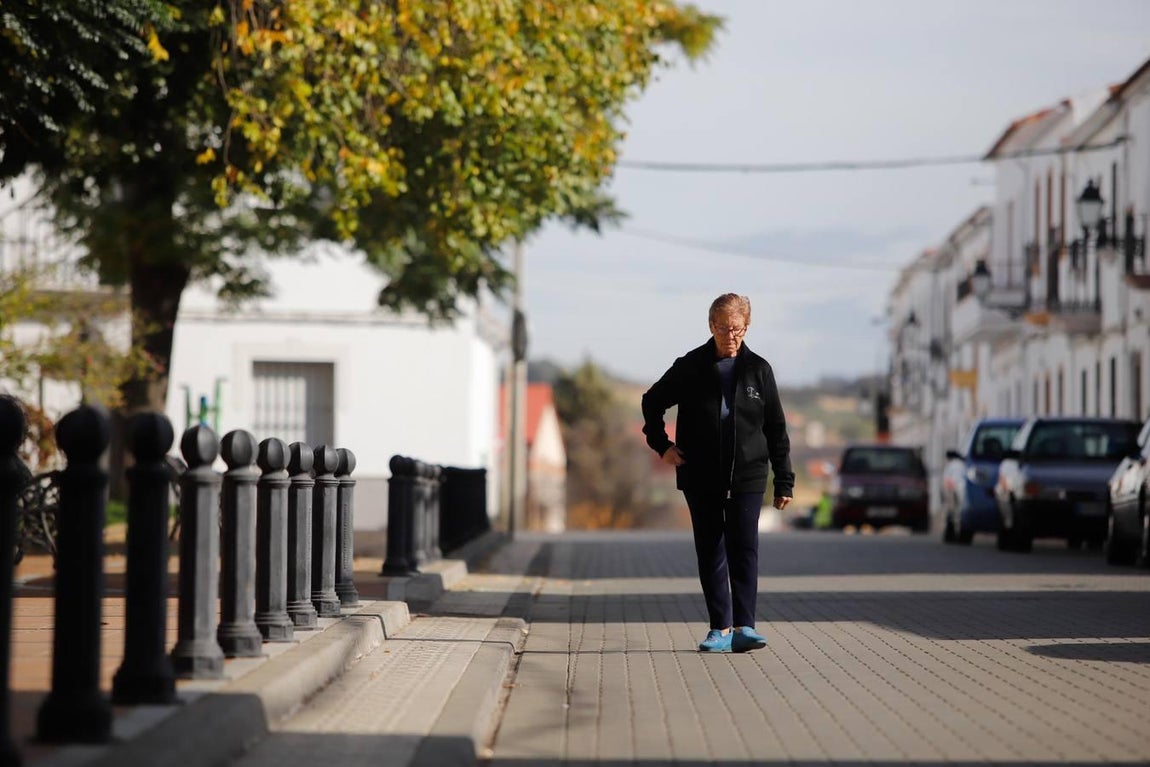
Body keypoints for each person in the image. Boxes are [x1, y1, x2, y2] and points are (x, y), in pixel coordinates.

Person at [641, 293, 794, 653]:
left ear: (747, 327)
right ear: (711, 326)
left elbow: (776, 428)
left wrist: (784, 479)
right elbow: (652, 402)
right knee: (711, 549)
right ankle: (719, 629)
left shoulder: (759, 370)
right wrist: (662, 446)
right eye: (724, 329)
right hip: (701, 474)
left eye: (738, 330)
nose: (731, 337)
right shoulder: (690, 366)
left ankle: (745, 627)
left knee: (745, 548)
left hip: (749, 475)